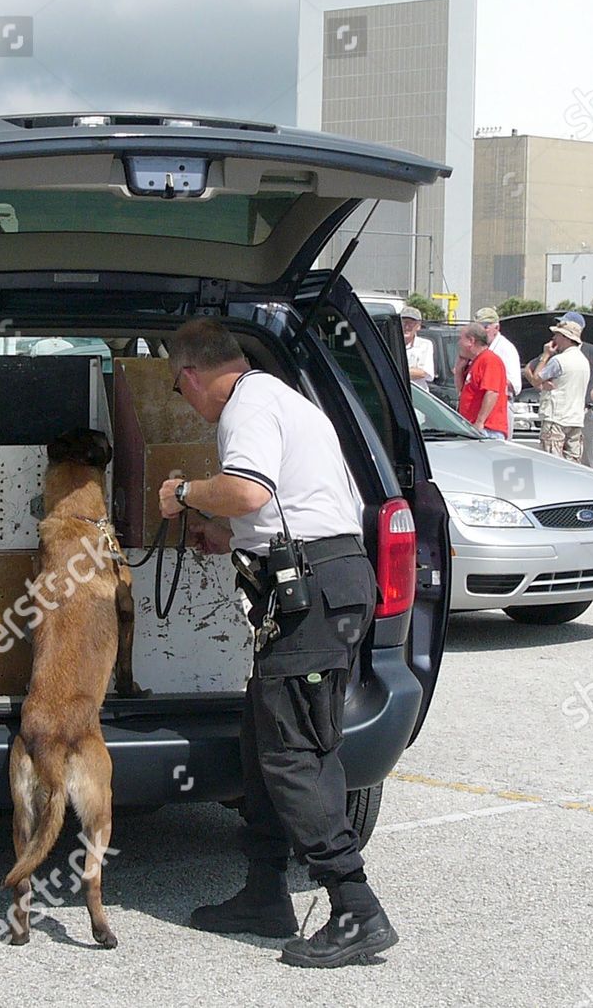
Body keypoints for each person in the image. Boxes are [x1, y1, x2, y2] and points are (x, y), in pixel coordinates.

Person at [157, 318, 397, 969]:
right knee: (264, 742)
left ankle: (355, 907)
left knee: (293, 753)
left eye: (183, 393)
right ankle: (265, 892)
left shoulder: (247, 405)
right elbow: (293, 508)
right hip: (323, 581)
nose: (192, 406)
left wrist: (183, 494)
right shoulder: (288, 400)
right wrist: (226, 535)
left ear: (190, 376)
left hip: (312, 595)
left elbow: (250, 489)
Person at [524, 317, 589, 464]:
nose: (554, 338)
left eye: (557, 335)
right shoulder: (584, 361)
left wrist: (545, 355)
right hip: (576, 419)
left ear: (565, 337)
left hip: (556, 418)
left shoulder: (559, 360)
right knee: (573, 464)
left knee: (552, 463)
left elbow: (536, 379)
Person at [453, 322, 510, 439]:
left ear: (471, 341)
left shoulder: (489, 360)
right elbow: (461, 391)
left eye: (461, 339)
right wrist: (459, 370)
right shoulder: (475, 362)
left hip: (487, 429)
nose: (459, 343)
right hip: (472, 427)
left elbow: (492, 392)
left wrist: (480, 422)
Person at [474, 306, 522, 402]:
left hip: (501, 403)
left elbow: (514, 385)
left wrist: (489, 379)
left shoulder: (506, 349)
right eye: (477, 327)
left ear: (497, 328)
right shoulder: (478, 347)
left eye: (485, 327)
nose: (480, 332)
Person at [399, 309, 435, 383]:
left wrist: (395, 371)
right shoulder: (390, 343)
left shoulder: (425, 345)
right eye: (404, 322)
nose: (407, 326)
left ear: (418, 326)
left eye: (411, 323)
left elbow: (422, 373)